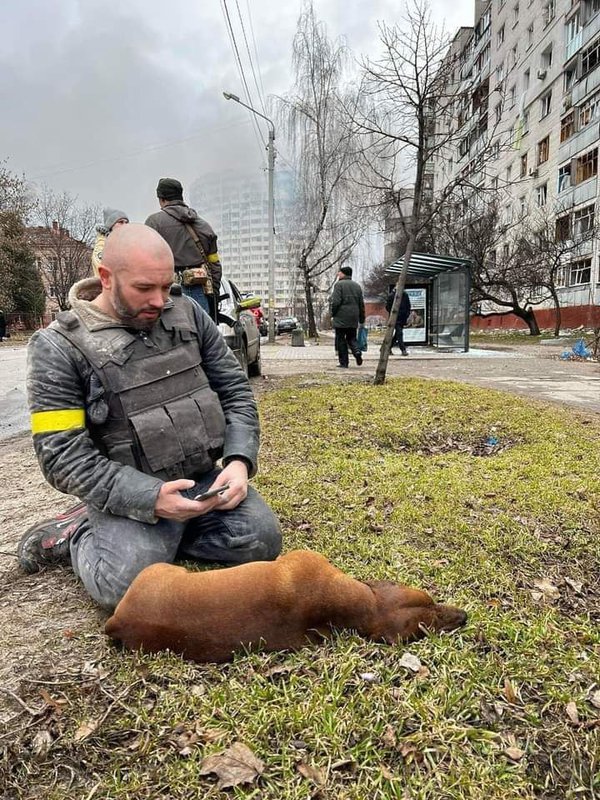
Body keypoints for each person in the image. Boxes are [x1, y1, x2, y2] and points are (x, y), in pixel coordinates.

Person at [17, 224, 282, 611]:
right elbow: (61, 455)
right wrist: (150, 498)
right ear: (106, 278)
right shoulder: (58, 348)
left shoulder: (189, 314)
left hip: (201, 480)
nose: (159, 300)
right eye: (144, 288)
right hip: (128, 492)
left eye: (165, 285)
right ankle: (75, 533)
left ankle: (173, 533)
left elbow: (236, 392)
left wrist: (240, 461)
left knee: (261, 542)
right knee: (126, 590)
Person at [145, 178, 222, 321]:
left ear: (161, 199)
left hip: (166, 293)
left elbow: (144, 263)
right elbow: (215, 265)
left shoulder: (153, 223)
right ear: (180, 196)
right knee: (202, 338)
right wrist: (213, 293)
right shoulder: (203, 226)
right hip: (199, 292)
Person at [330, 266, 365, 368]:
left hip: (341, 316)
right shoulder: (357, 286)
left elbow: (336, 302)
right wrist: (361, 317)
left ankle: (344, 362)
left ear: (343, 274)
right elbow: (361, 304)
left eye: (339, 272)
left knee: (341, 339)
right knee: (352, 337)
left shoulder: (339, 285)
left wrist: (333, 313)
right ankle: (357, 352)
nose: (338, 274)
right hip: (353, 316)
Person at [91, 207, 129, 276]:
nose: (125, 225)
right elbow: (104, 272)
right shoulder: (102, 246)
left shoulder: (122, 244)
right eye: (121, 222)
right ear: (111, 225)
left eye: (126, 222)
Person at [386, 287, 411, 356]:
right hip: (395, 318)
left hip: (402, 318)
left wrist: (407, 314)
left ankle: (387, 348)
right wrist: (393, 313)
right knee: (399, 333)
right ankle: (403, 349)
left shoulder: (405, 295)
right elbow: (388, 307)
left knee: (397, 334)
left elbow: (408, 306)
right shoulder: (392, 296)